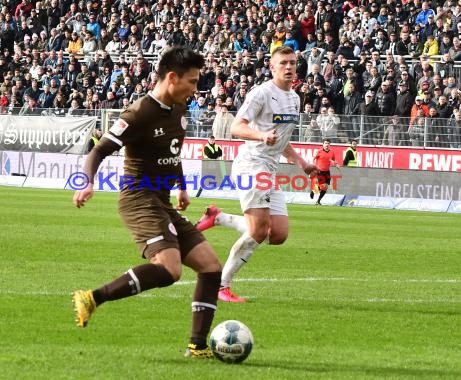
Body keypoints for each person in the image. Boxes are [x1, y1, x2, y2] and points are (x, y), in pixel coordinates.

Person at [71, 46, 222, 359]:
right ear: (171, 78)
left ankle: (197, 346)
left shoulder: (179, 108)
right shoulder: (139, 113)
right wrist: (86, 182)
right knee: (170, 269)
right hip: (138, 197)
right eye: (192, 81)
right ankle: (92, 298)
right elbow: (98, 151)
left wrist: (181, 187)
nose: (195, 89)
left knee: (210, 267)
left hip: (162, 200)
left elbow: (172, 151)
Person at [194, 46, 318, 303]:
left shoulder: (294, 98)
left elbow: (281, 138)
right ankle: (221, 286)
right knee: (259, 231)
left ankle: (219, 218)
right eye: (283, 62)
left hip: (269, 168)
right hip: (251, 164)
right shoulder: (261, 93)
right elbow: (237, 127)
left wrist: (301, 162)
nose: (288, 67)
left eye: (292, 63)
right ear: (272, 67)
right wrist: (261, 135)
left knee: (278, 234)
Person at [310, 139, 341, 205]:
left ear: (330, 145)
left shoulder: (332, 152)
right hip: (320, 171)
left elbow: (333, 160)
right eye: (326, 143)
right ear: (323, 144)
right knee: (322, 186)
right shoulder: (319, 151)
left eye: (328, 143)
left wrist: (336, 164)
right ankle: (313, 191)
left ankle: (318, 201)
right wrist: (313, 167)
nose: (327, 144)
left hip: (327, 171)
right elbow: (313, 158)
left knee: (325, 187)